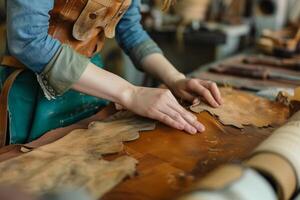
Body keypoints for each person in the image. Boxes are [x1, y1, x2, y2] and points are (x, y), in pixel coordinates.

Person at [0, 0, 223, 145]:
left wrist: (175, 78)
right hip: (30, 93)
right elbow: (28, 40)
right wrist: (129, 93)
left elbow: (131, 31)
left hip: (94, 85)